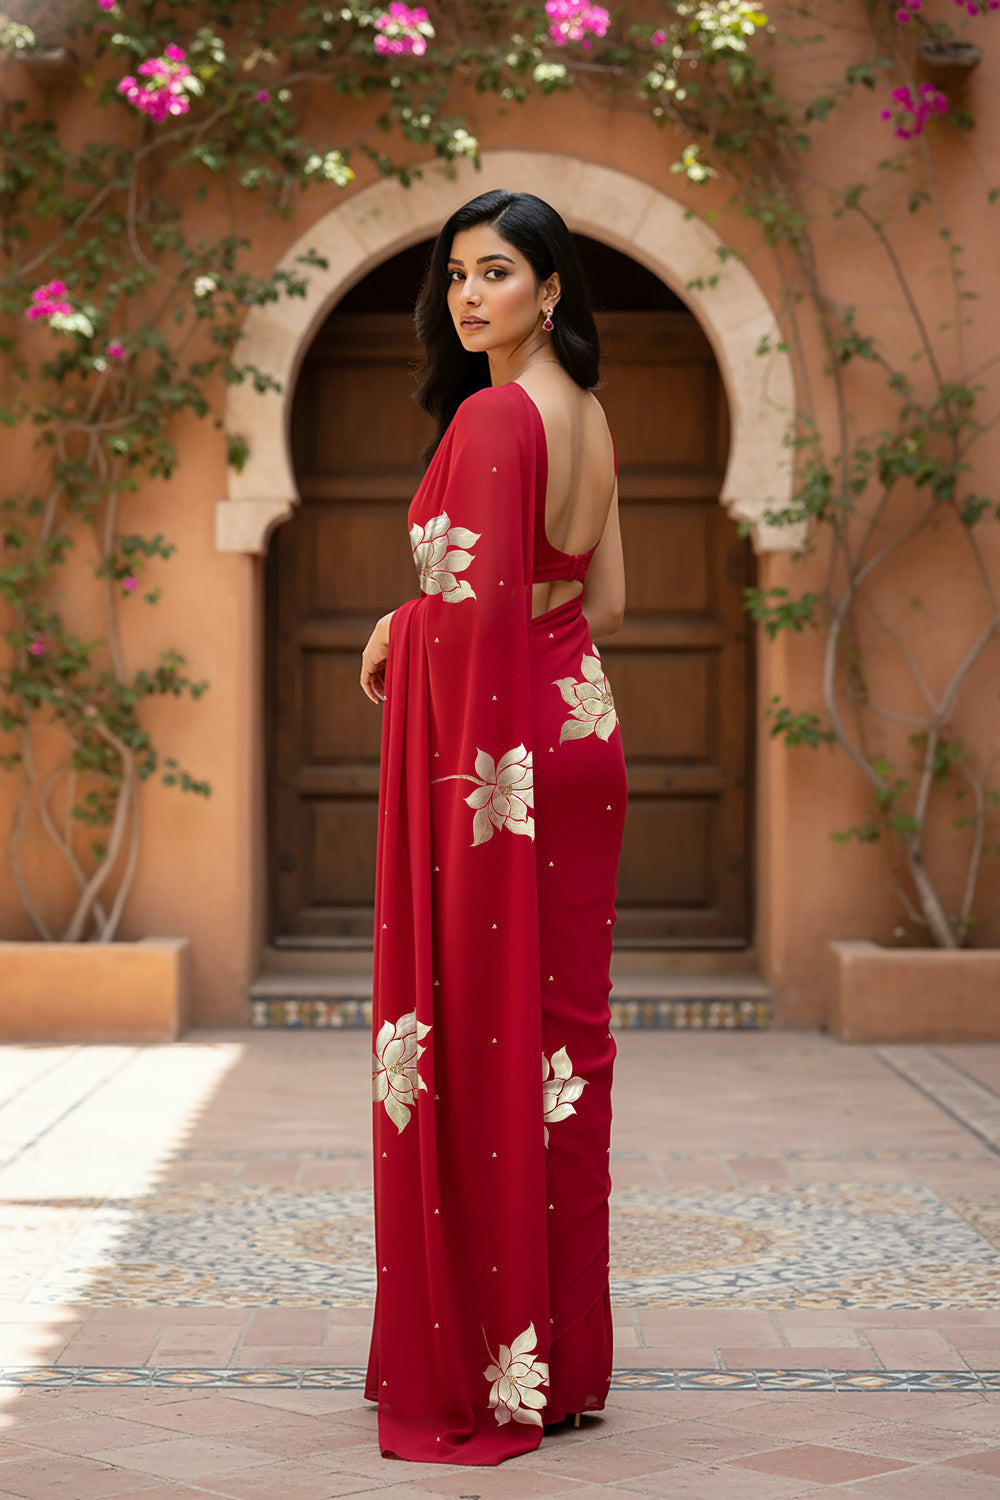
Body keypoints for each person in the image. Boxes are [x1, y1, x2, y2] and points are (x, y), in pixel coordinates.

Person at [359, 188, 626, 1466]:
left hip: (501, 768)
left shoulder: (494, 414)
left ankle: (489, 1364)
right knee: (561, 1056)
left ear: (551, 290)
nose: (470, 296)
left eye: (499, 272)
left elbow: (463, 619)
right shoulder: (589, 418)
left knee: (479, 1044)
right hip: (575, 733)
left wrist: (395, 626)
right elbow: (600, 600)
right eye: (457, 274)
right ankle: (560, 1367)